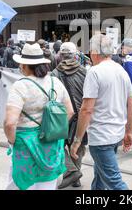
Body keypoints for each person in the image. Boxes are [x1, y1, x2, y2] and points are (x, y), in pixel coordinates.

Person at [70, 34, 132, 190]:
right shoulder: (121, 70)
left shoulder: (94, 72)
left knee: (114, 182)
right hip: (116, 134)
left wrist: (77, 139)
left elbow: (86, 109)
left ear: (94, 52)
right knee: (100, 177)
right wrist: (129, 132)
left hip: (101, 138)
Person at [4, 43, 74, 190]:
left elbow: (10, 123)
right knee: (47, 184)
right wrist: (51, 129)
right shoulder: (55, 82)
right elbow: (70, 112)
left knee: (21, 184)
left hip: (25, 144)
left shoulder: (20, 86)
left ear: (24, 65)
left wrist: (12, 141)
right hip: (51, 144)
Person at [52, 42, 88, 189]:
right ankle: (75, 175)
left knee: (58, 144)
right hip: (81, 117)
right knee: (78, 147)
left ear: (60, 56)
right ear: (75, 55)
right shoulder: (84, 72)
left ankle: (72, 172)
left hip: (62, 116)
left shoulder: (54, 74)